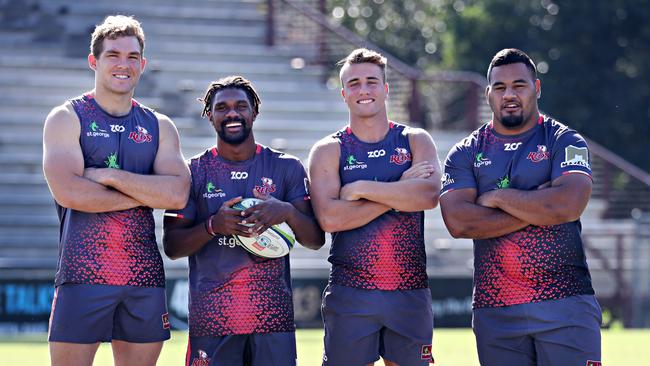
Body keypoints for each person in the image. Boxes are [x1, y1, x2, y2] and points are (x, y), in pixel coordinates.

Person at [42, 15, 191, 366]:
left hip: (143, 278)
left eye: (132, 56)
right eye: (113, 55)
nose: (123, 64)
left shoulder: (159, 125)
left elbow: (178, 195)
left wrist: (110, 175)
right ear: (94, 61)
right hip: (83, 274)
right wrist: (146, 195)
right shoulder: (67, 117)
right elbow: (71, 193)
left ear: (143, 64)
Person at [439, 48, 601, 366]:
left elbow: (568, 205)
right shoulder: (465, 153)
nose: (509, 95)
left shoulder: (564, 140)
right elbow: (459, 223)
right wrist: (537, 205)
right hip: (496, 311)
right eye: (500, 87)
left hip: (565, 303)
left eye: (519, 85)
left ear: (536, 88)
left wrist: (498, 198)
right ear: (488, 94)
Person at [163, 75, 325, 366]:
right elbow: (172, 246)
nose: (232, 113)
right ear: (209, 115)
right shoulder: (192, 173)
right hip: (213, 321)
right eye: (222, 108)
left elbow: (315, 240)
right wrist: (213, 226)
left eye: (241, 106)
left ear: (254, 112)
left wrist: (286, 211)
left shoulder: (286, 167)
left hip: (272, 321)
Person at [308, 48, 441, 366]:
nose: (363, 90)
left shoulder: (415, 140)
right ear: (343, 93)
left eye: (371, 81)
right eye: (354, 83)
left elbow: (428, 196)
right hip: (350, 292)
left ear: (386, 88)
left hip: (409, 291)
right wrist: (399, 189)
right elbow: (329, 218)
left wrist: (359, 189)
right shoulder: (329, 149)